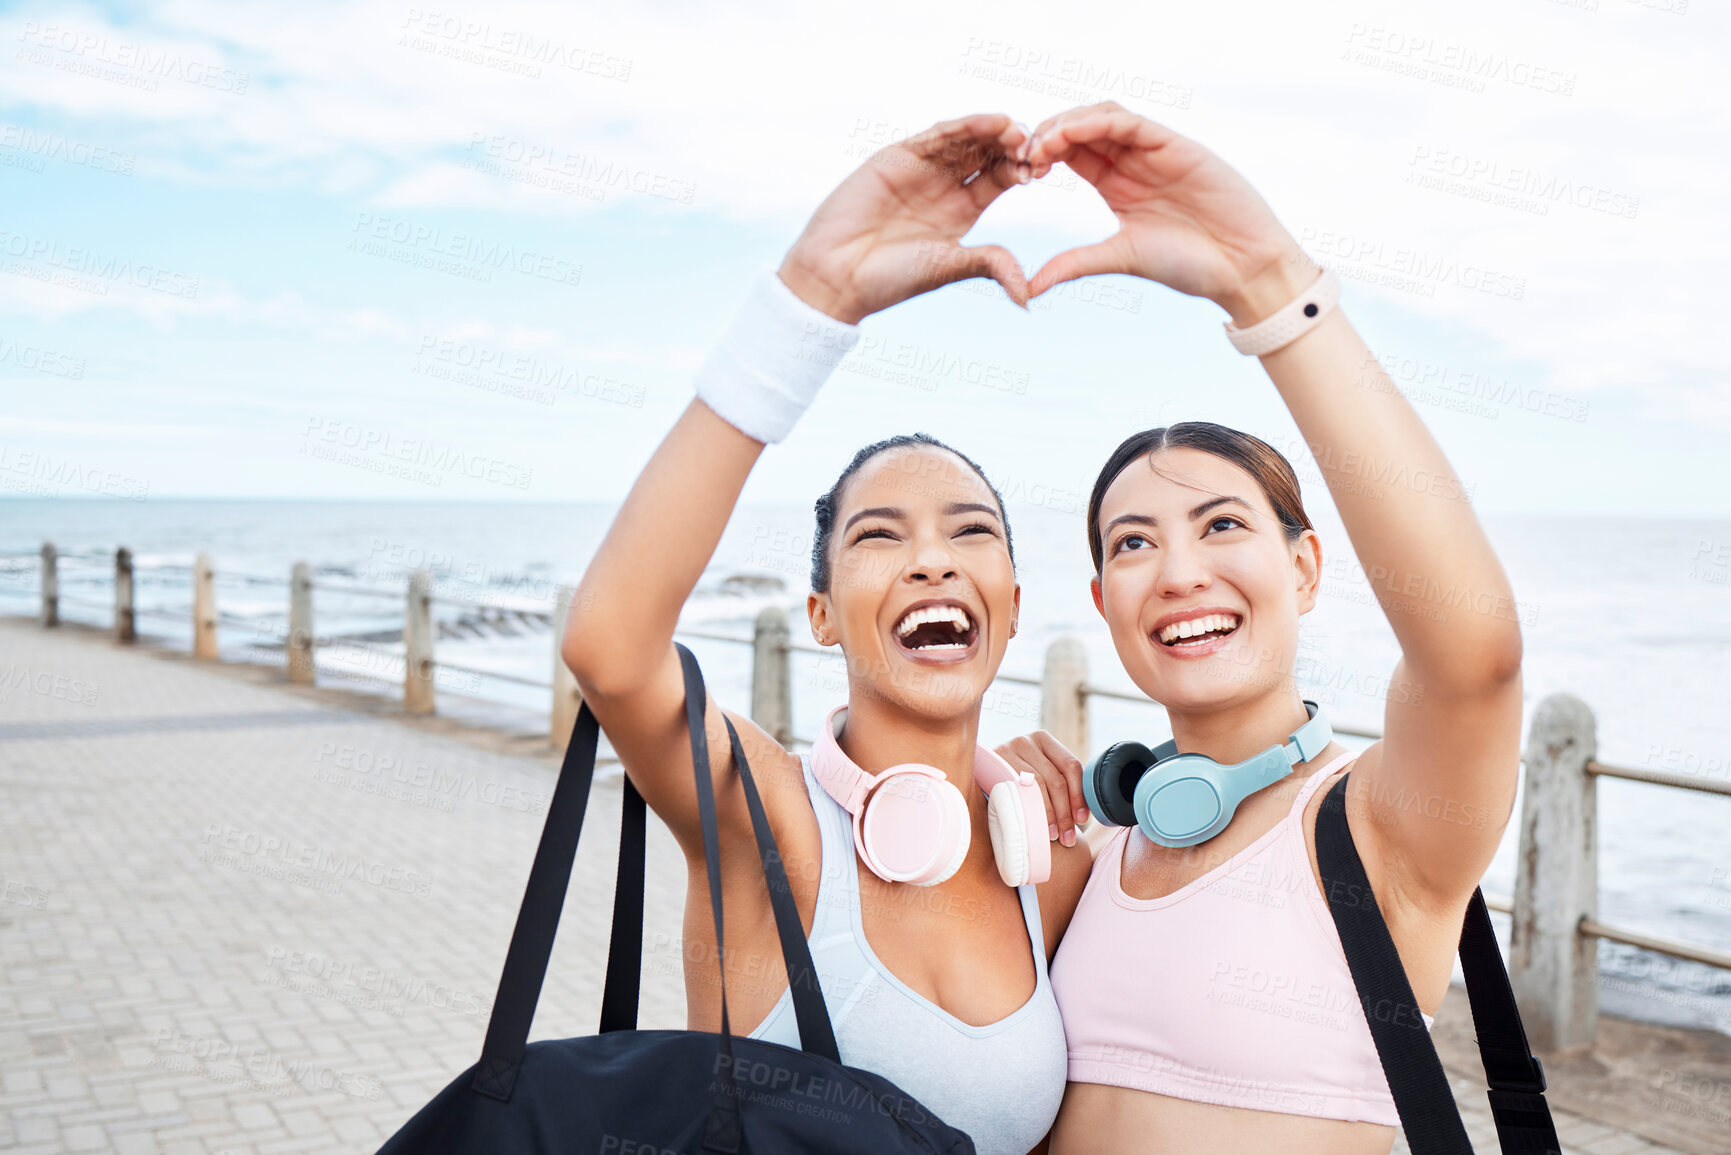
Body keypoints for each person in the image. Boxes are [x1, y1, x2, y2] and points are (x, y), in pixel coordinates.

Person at [990, 104, 1525, 1154]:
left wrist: (1271, 290)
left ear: (1305, 565)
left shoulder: (1379, 828)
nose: (1179, 571)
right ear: (1104, 603)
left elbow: (1475, 654)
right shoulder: (1101, 846)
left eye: (1222, 524)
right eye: (1134, 544)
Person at [561, 114, 1095, 1155]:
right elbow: (612, 644)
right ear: (820, 614)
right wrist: (812, 299)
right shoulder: (766, 825)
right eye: (880, 536)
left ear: (1015, 604)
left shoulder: (1051, 866)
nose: (932, 559)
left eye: (969, 531)